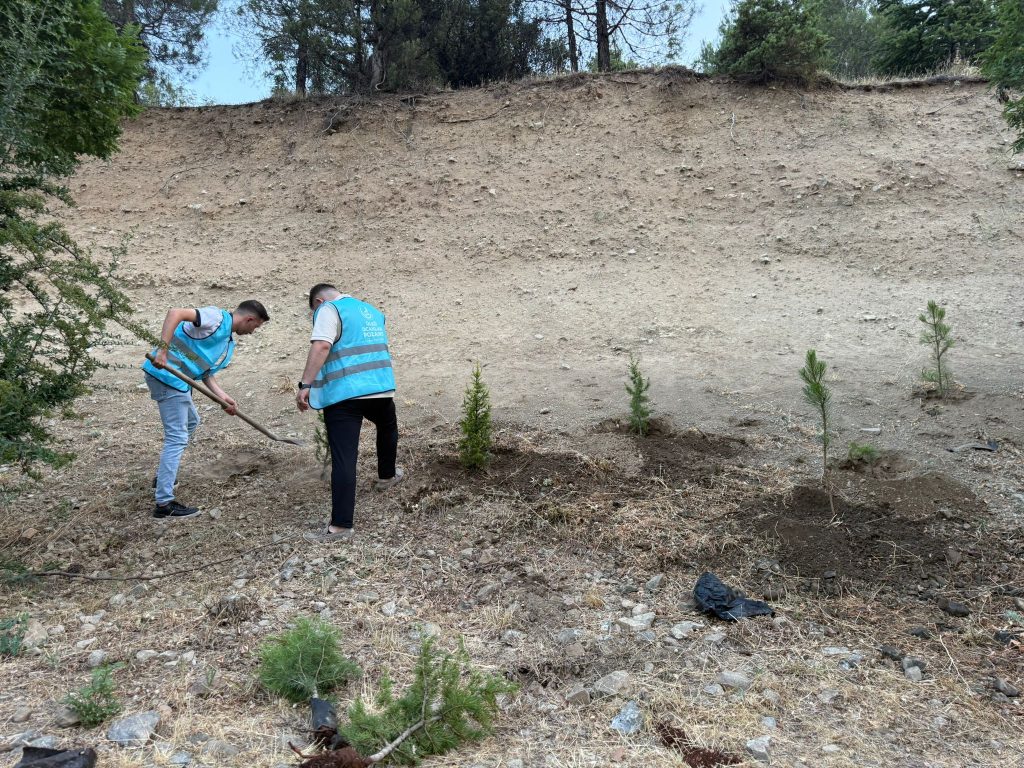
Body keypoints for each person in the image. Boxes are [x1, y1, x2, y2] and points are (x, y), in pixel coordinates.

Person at [296, 284, 404, 541]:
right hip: (380, 386)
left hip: (344, 394)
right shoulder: (372, 311)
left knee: (344, 457)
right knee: (387, 425)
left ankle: (341, 526)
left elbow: (322, 346)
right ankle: (387, 476)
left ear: (318, 301)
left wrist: (305, 384)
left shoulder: (328, 309)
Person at [142, 300, 269, 519]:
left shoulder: (225, 339)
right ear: (249, 319)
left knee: (192, 422)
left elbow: (203, 371)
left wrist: (222, 397)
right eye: (255, 327)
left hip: (176, 381)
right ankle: (164, 503)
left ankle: (163, 477)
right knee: (177, 437)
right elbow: (175, 312)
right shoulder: (215, 319)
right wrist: (162, 350)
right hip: (166, 377)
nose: (252, 332)